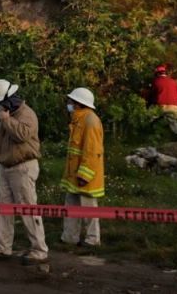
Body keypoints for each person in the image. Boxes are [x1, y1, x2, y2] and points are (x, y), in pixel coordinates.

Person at [0, 79, 49, 265]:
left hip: (23, 167)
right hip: (7, 167)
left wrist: (7, 120)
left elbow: (22, 136)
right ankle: (2, 247)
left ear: (9, 99)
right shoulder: (8, 114)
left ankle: (39, 250)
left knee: (28, 209)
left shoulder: (26, 114)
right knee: (3, 208)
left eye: (0, 103)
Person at [60, 88, 104, 247]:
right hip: (73, 175)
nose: (69, 104)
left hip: (86, 176)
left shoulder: (90, 121)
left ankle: (92, 240)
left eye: (71, 101)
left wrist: (85, 175)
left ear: (79, 103)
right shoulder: (78, 119)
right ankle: (69, 237)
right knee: (71, 208)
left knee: (89, 209)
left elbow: (92, 152)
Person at [148, 65, 177, 135]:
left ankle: (150, 134)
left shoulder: (156, 81)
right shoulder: (174, 82)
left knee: (151, 119)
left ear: (157, 73)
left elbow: (151, 94)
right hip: (174, 106)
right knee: (174, 126)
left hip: (160, 106)